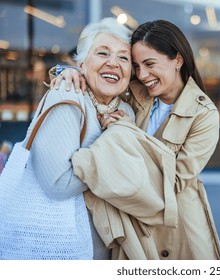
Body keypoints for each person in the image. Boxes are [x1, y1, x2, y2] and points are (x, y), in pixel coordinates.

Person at [51, 19, 220, 260]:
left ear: (178, 60)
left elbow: (170, 186)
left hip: (174, 231)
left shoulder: (204, 115)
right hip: (131, 223)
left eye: (150, 64)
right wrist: (69, 72)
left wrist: (126, 132)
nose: (142, 75)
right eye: (136, 65)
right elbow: (98, 80)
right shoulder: (133, 91)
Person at [1, 17, 135, 259]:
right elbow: (58, 184)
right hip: (62, 245)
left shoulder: (126, 110)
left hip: (109, 246)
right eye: (103, 53)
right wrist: (113, 143)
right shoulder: (67, 97)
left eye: (123, 57)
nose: (113, 63)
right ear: (82, 63)